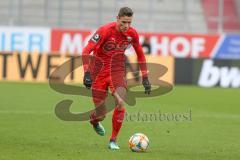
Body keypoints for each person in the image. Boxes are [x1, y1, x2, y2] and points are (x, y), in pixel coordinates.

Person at [82, 7, 151, 150]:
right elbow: (86, 50)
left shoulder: (132, 34)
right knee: (101, 114)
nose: (126, 26)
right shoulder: (105, 31)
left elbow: (140, 55)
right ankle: (94, 121)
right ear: (117, 18)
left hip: (117, 72)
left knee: (120, 102)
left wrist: (145, 77)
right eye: (124, 22)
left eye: (129, 23)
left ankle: (113, 140)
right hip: (98, 72)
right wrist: (87, 73)